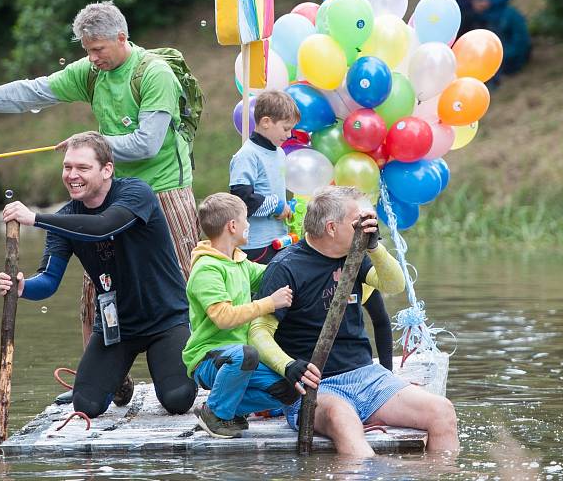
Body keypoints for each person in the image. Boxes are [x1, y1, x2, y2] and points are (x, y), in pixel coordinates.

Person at [0, 1, 201, 402]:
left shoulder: (155, 75)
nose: (91, 58)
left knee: (183, 286)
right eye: (85, 50)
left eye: (97, 49)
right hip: (104, 192)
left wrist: (92, 143)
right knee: (98, 288)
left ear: (121, 38)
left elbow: (146, 144)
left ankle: (198, 365)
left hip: (162, 190)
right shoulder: (91, 73)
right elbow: (35, 90)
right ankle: (112, 380)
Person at [0, 131, 197, 418]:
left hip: (165, 319)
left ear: (107, 170)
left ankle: (190, 362)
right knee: (86, 406)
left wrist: (36, 218)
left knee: (178, 400)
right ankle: (119, 381)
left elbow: (104, 225)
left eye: (82, 168)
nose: (72, 175)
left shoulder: (136, 193)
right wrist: (23, 287)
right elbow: (49, 280)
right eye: (67, 167)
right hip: (117, 327)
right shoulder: (65, 219)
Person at [249, 186, 458, 457]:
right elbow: (258, 331)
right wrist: (288, 366)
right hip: (315, 386)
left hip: (366, 377)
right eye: (358, 221)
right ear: (332, 228)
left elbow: (394, 284)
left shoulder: (355, 255)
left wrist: (374, 247)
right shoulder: (285, 267)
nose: (366, 226)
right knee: (342, 418)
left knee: (442, 411)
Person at [182, 193, 320, 438]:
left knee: (289, 388)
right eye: (246, 220)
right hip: (209, 359)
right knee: (246, 353)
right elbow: (223, 317)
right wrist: (268, 303)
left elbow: (273, 274)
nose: (249, 225)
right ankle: (215, 414)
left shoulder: (240, 262)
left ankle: (227, 410)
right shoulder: (206, 269)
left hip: (243, 358)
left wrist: (307, 252)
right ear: (232, 226)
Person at [229, 91, 300, 264]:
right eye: (285, 128)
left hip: (279, 240)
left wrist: (288, 208)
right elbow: (242, 201)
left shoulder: (280, 153)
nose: (289, 134)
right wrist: (277, 206)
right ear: (266, 122)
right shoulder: (247, 155)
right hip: (255, 246)